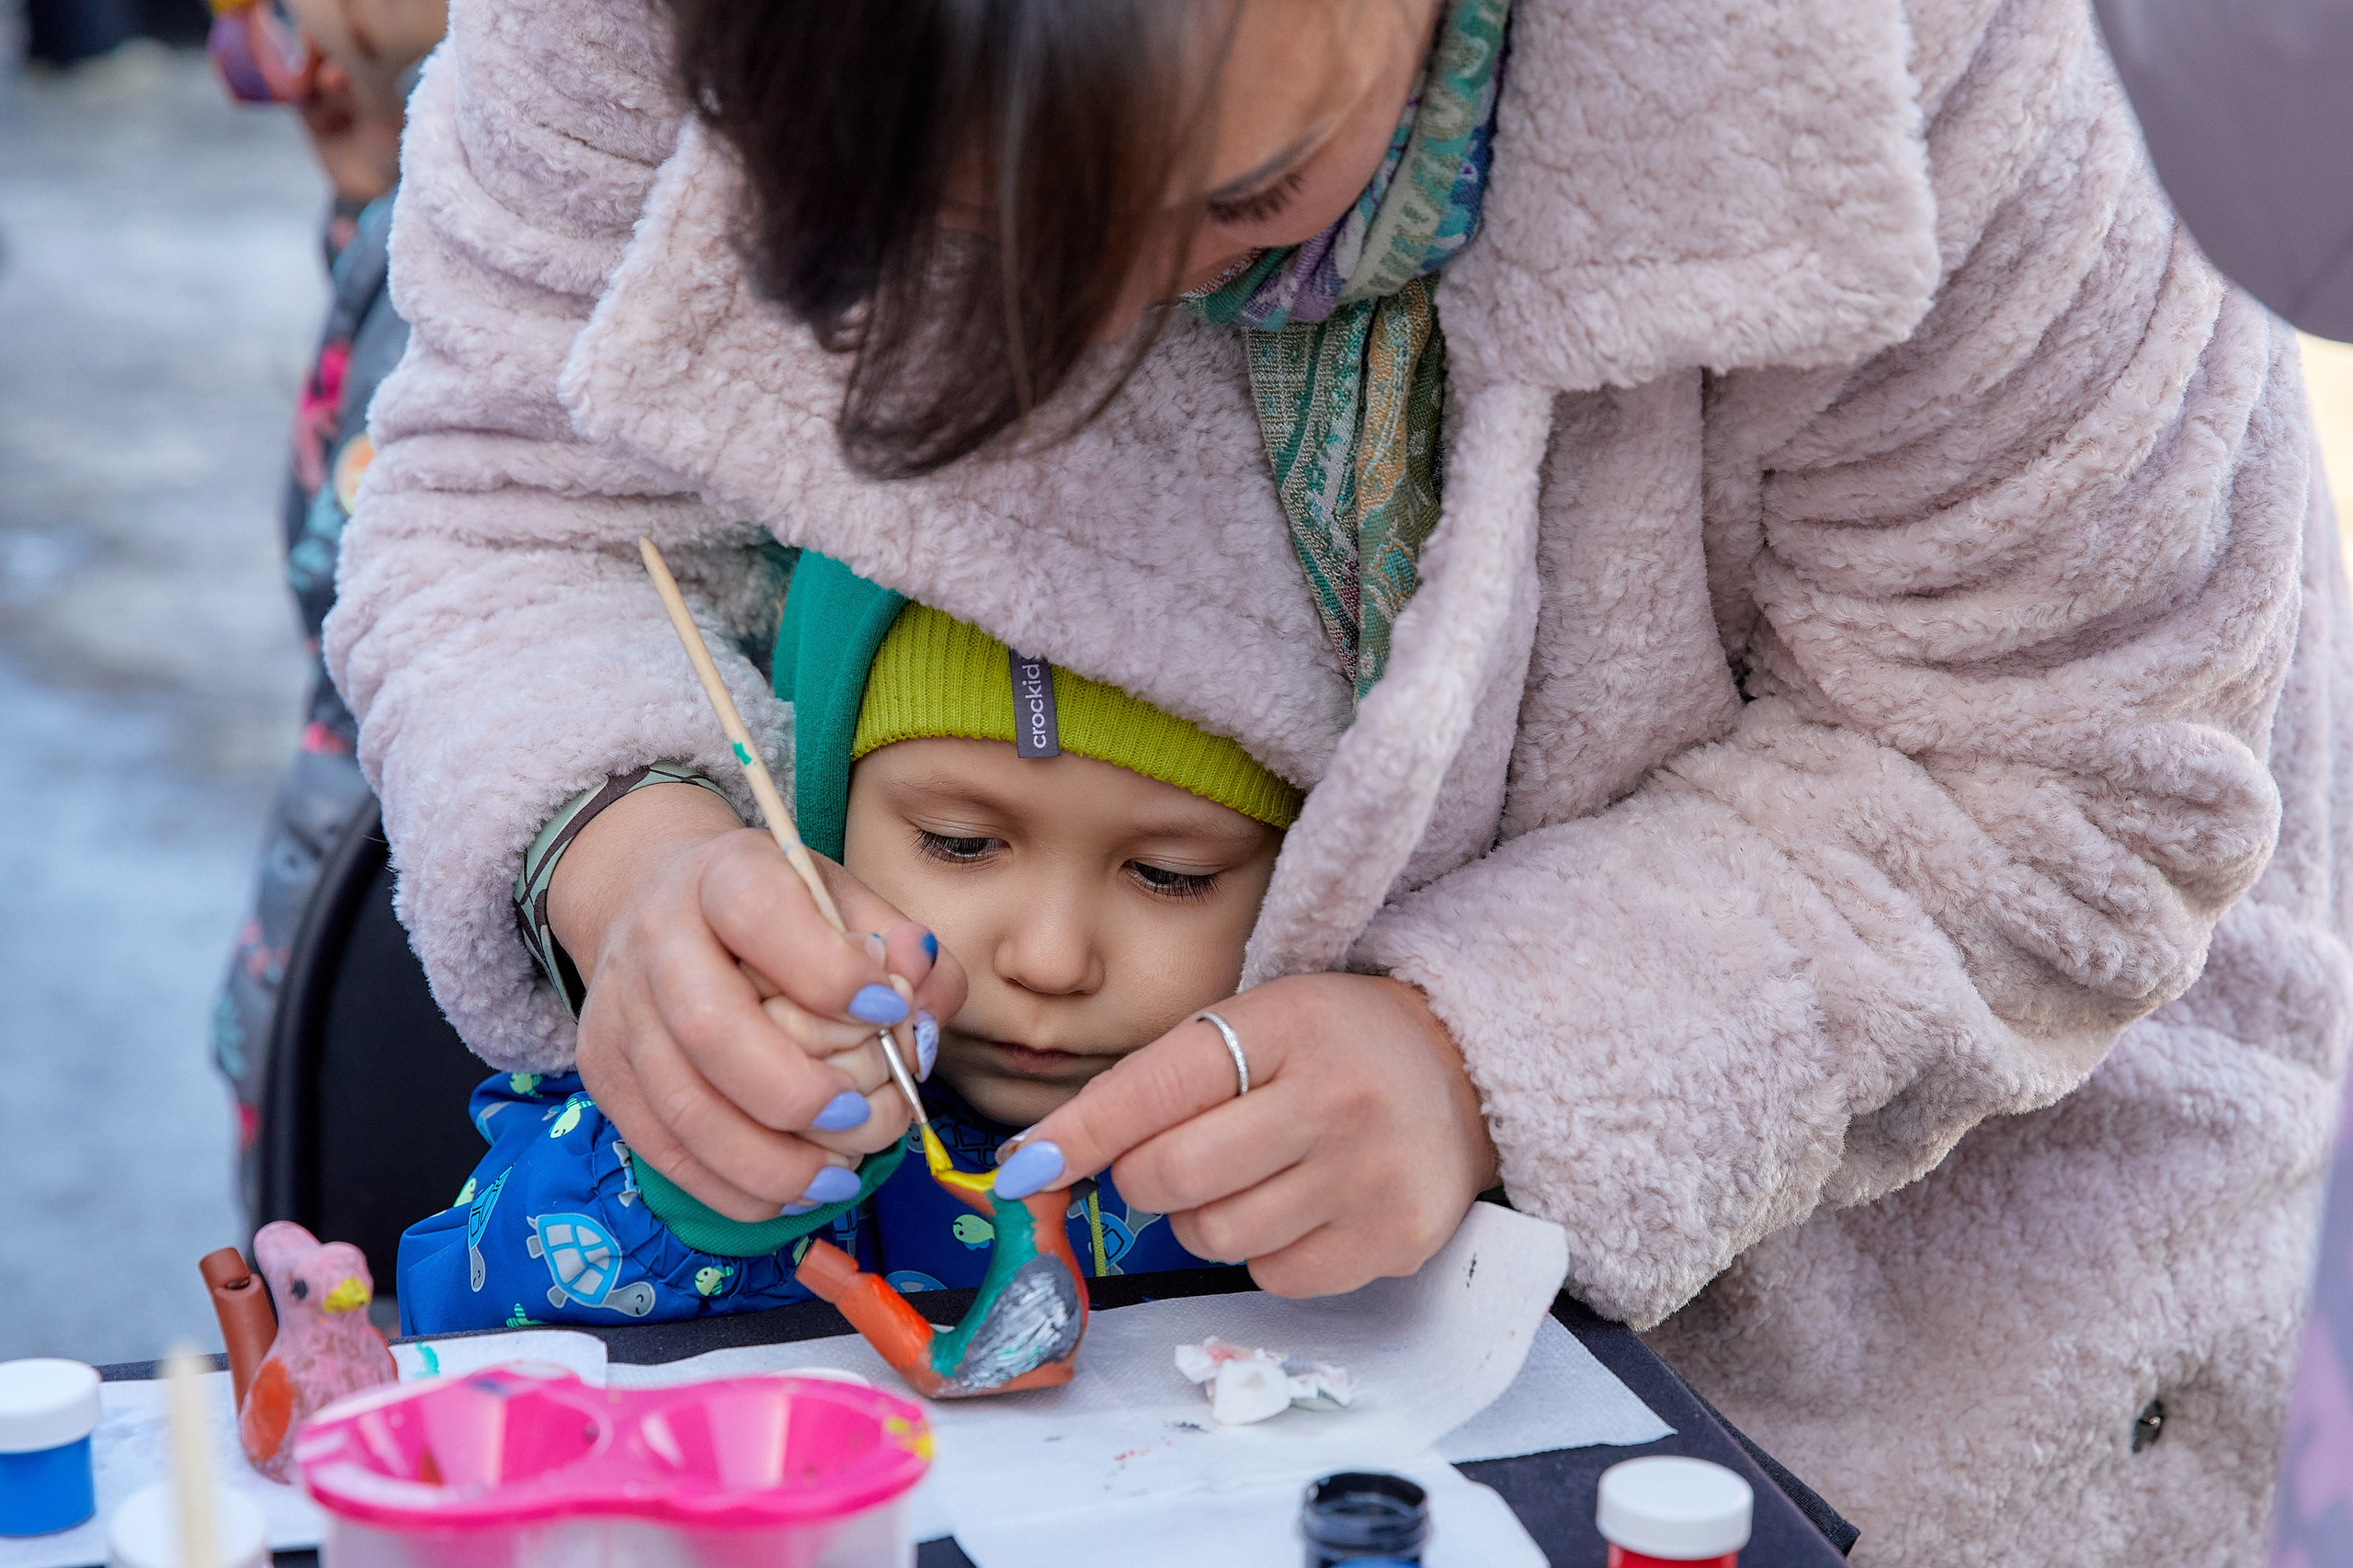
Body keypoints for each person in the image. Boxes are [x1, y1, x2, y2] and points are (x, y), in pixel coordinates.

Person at [331, 0, 2348, 1559]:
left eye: (1239, 198)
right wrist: (625, 836)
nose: (1103, 337)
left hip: (1882, 1341)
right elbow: (512, 498)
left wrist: (1501, 1057)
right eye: (947, 230)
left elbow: (2046, 771)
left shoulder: (1962, 67)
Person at [394, 562, 1283, 1331]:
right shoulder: (680, 1056)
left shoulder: (1325, 1120)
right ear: (818, 809)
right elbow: (466, 1334)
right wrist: (694, 1189)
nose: (1050, 961)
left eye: (1171, 875)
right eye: (960, 843)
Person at [208, 0, 446, 1218]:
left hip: (403, 932)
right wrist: (366, 189)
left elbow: (360, 556)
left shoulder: (497, 216)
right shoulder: (425, 203)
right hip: (339, 885)